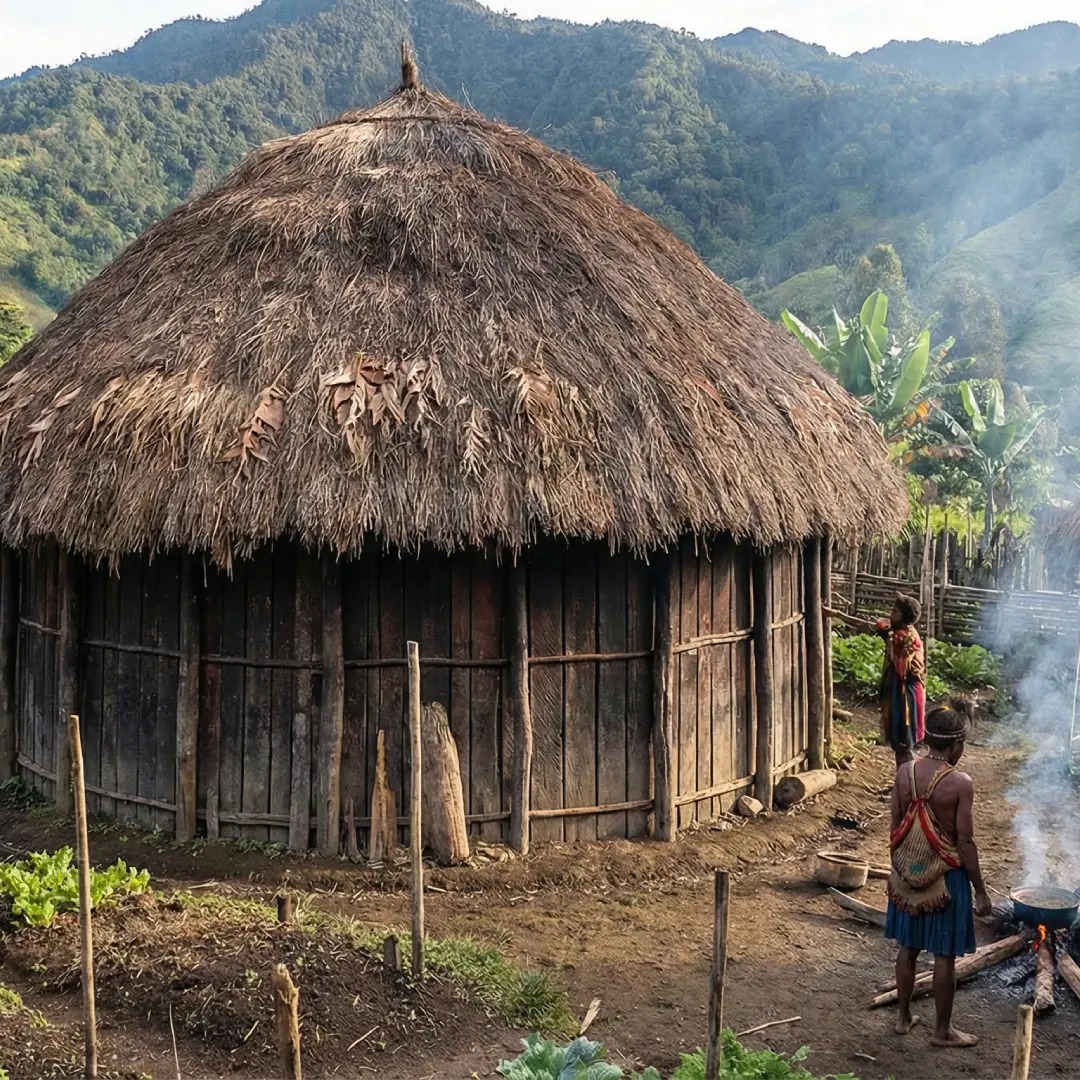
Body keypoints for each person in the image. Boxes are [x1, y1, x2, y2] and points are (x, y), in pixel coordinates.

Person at [885, 700, 991, 1048]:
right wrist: (980, 890)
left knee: (908, 947)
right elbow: (965, 841)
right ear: (957, 744)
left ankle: (903, 1019)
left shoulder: (905, 772)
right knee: (944, 954)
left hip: (907, 875)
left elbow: (896, 826)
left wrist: (903, 869)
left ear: (927, 738)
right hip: (946, 878)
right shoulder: (960, 783)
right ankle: (942, 1032)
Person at [823, 594, 925, 768]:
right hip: (900, 688)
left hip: (905, 694)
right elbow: (868, 626)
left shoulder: (902, 637)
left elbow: (870, 628)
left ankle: (907, 785)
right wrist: (837, 614)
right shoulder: (900, 631)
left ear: (904, 617)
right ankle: (904, 783)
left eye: (895, 612)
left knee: (903, 743)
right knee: (899, 743)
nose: (891, 614)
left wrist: (837, 615)